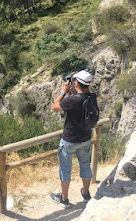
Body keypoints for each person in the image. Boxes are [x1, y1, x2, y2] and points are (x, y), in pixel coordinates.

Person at [50, 70, 96, 208]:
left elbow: (54, 107)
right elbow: (81, 101)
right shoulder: (92, 97)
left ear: (76, 83)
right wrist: (74, 93)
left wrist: (63, 92)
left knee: (65, 169)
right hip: (86, 138)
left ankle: (64, 199)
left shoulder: (70, 100)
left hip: (69, 140)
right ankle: (86, 194)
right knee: (85, 165)